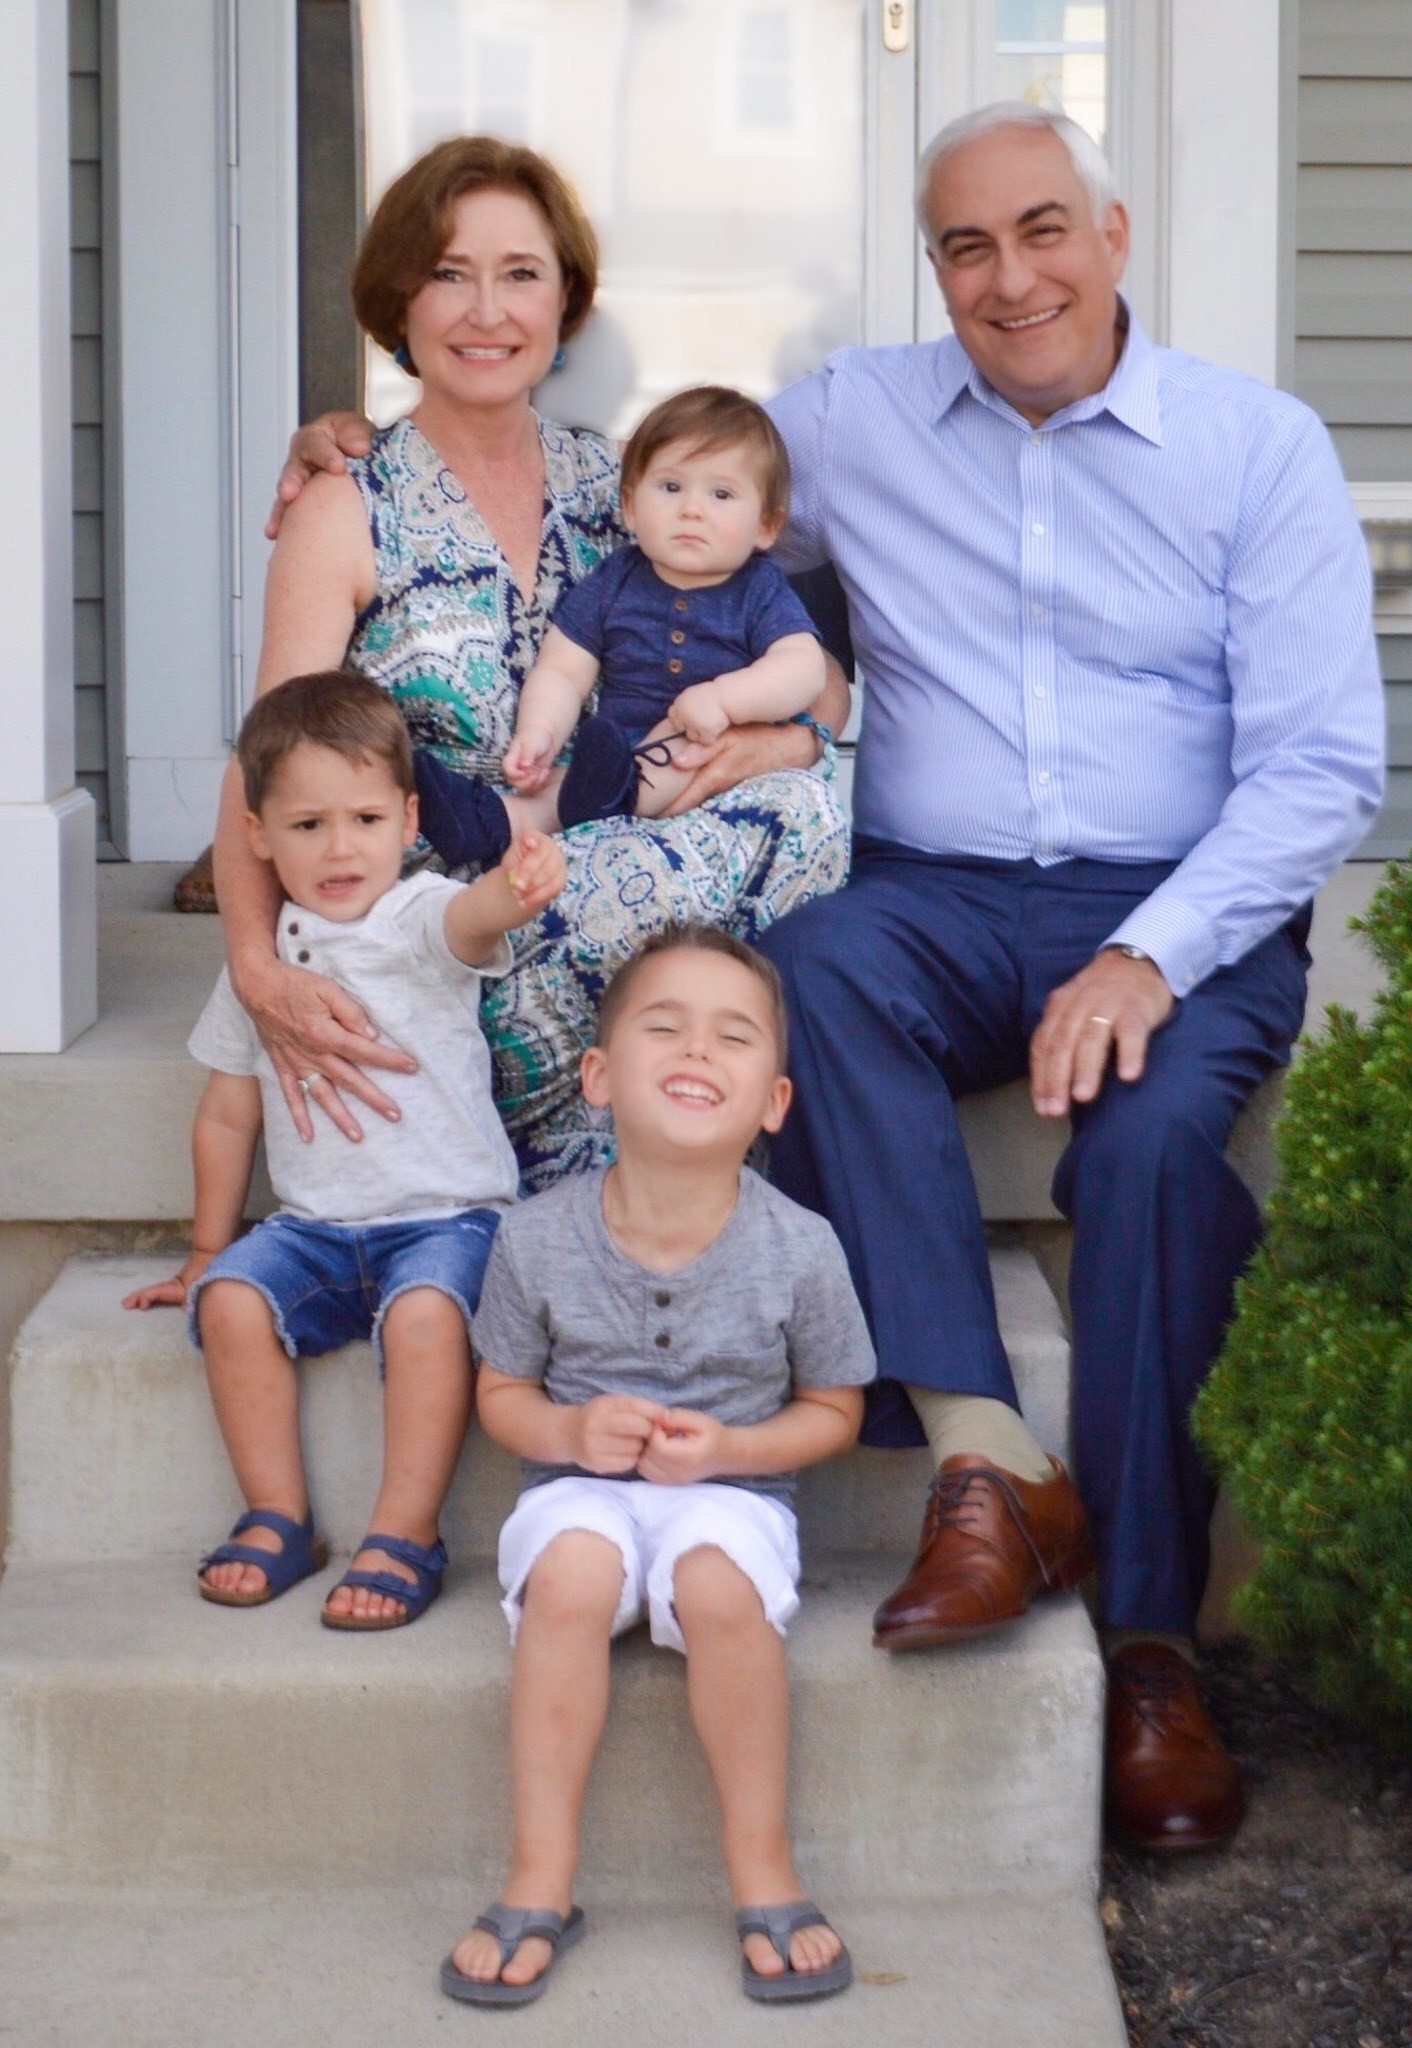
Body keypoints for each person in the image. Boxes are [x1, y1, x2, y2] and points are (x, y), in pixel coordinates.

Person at [754, 104, 1385, 1851]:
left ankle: (1151, 1647)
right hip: (935, 895)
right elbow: (652, 492)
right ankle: (992, 1454)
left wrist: (1147, 950)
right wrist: (389, 451)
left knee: (1155, 1154)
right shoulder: (852, 420)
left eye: (1042, 230)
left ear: (1112, 234)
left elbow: (1322, 766)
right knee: (810, 965)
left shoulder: (1254, 448)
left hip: (1182, 903)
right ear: (933, 268)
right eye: (966, 246)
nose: (1008, 276)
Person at [221, 135, 848, 1208]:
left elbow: (816, 686)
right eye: (449, 274)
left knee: (814, 808)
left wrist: (779, 738)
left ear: (564, 306)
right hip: (455, 925)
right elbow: (267, 765)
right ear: (399, 304)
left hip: (629, 859)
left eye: (521, 275)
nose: (486, 311)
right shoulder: (347, 503)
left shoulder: (618, 480)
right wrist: (254, 965)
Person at [440, 926, 874, 2007]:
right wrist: (569, 1435)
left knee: (721, 1589)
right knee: (573, 1576)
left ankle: (762, 1865)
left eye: (732, 1036)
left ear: (772, 1101)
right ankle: (540, 1875)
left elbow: (834, 1409)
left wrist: (732, 1448)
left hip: (732, 1492)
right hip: (577, 1487)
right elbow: (500, 1394)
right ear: (597, 1077)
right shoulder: (535, 1239)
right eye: (663, 1025)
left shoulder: (802, 1246)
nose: (697, 1048)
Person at [125, 673, 567, 1626]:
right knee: (234, 1302)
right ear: (255, 834)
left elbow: (470, 920)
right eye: (308, 824)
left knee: (424, 1321)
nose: (339, 848)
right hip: (316, 1229)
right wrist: (207, 1252)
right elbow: (227, 1115)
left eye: (365, 818)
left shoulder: (412, 915)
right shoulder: (264, 970)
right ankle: (278, 1515)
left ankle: (405, 1531)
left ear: (409, 821)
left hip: (448, 1222)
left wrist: (513, 888)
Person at [413, 384, 827, 857]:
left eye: (721, 493)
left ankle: (600, 800)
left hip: (708, 757)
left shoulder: (759, 589)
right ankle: (489, 820)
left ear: (766, 526)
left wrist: (725, 700)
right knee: (562, 788)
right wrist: (540, 731)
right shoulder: (615, 579)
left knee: (671, 747)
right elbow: (564, 671)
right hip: (611, 762)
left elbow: (803, 668)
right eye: (671, 487)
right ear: (630, 506)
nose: (692, 509)